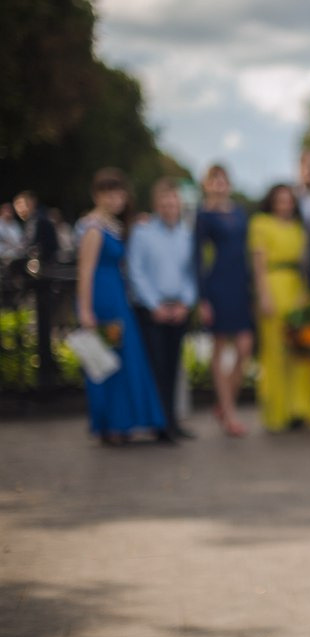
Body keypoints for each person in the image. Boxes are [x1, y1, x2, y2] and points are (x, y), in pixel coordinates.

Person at [75, 168, 165, 445]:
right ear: (97, 195)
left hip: (117, 296)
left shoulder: (113, 225)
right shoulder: (93, 228)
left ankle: (121, 423)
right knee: (108, 362)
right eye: (110, 194)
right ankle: (111, 424)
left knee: (122, 359)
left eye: (119, 194)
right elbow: (85, 272)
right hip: (103, 300)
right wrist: (86, 310)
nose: (116, 200)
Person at [249, 184, 310, 432]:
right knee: (275, 352)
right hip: (273, 288)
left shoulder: (299, 227)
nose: (284, 205)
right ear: (272, 202)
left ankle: (299, 409)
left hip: (297, 289)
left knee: (300, 350)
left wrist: (305, 294)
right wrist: (263, 295)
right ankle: (277, 412)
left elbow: (305, 263)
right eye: (280, 200)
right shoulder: (260, 224)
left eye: (288, 201)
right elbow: (258, 265)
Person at [127, 178, 197, 440]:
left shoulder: (186, 235)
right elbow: (136, 272)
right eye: (165, 202)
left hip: (178, 309)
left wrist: (185, 303)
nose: (170, 207)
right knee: (156, 368)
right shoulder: (143, 234)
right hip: (152, 310)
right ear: (156, 204)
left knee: (173, 368)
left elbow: (191, 273)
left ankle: (173, 421)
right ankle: (160, 423)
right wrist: (155, 305)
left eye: (174, 202)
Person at [195, 164, 254, 437]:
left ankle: (223, 402)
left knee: (245, 347)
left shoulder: (240, 212)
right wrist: (203, 297)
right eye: (214, 180)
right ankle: (230, 414)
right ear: (207, 184)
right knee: (220, 348)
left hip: (240, 284)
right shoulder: (203, 216)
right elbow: (198, 257)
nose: (219, 184)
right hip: (217, 285)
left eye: (223, 180)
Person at [13, 190, 58, 262]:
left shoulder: (37, 221)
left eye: (20, 205)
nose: (18, 210)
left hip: (41, 265)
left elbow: (31, 246)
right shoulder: (38, 218)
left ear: (31, 202)